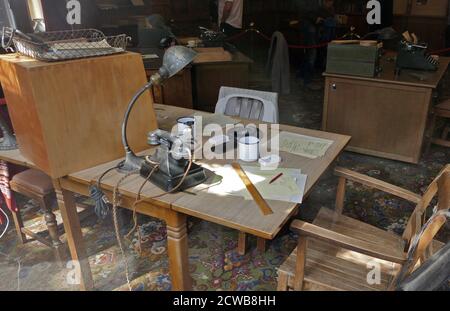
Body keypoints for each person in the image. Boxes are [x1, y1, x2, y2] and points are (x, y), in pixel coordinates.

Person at [300, 0, 336, 91]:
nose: (331, 3)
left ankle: (305, 77)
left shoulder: (326, 7)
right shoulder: (312, 3)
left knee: (315, 53)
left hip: (317, 29)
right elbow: (304, 11)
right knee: (311, 53)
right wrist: (315, 18)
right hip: (309, 28)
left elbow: (326, 12)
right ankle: (307, 81)